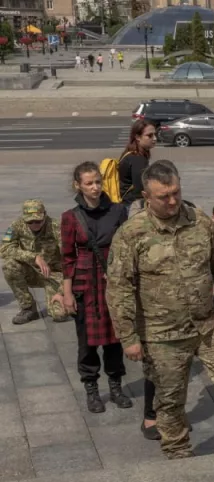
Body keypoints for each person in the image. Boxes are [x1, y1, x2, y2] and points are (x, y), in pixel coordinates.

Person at [106, 160, 214, 459]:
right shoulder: (131, 234)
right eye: (164, 196)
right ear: (146, 197)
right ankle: (179, 455)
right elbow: (119, 288)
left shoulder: (200, 221)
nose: (173, 200)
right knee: (170, 400)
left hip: (207, 323)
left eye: (176, 192)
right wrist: (128, 337)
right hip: (161, 333)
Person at [61, 162, 131, 413]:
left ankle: (116, 386)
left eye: (98, 182)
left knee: (115, 338)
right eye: (89, 183)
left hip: (112, 279)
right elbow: (67, 257)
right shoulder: (70, 217)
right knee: (86, 342)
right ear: (78, 185)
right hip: (84, 283)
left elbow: (126, 247)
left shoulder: (118, 210)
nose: (95, 187)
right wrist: (67, 293)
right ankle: (91, 389)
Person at [0, 200, 68, 325]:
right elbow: (4, 249)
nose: (34, 224)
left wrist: (64, 290)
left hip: (53, 273)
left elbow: (70, 257)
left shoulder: (56, 227)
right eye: (30, 222)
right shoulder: (17, 225)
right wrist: (33, 257)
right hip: (30, 271)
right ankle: (28, 308)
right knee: (9, 266)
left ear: (45, 215)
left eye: (38, 221)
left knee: (60, 316)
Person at [118, 119, 157, 206]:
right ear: (138, 137)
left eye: (155, 134)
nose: (155, 138)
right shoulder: (137, 158)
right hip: (132, 206)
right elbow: (140, 190)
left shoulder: (130, 153)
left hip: (127, 203)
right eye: (149, 135)